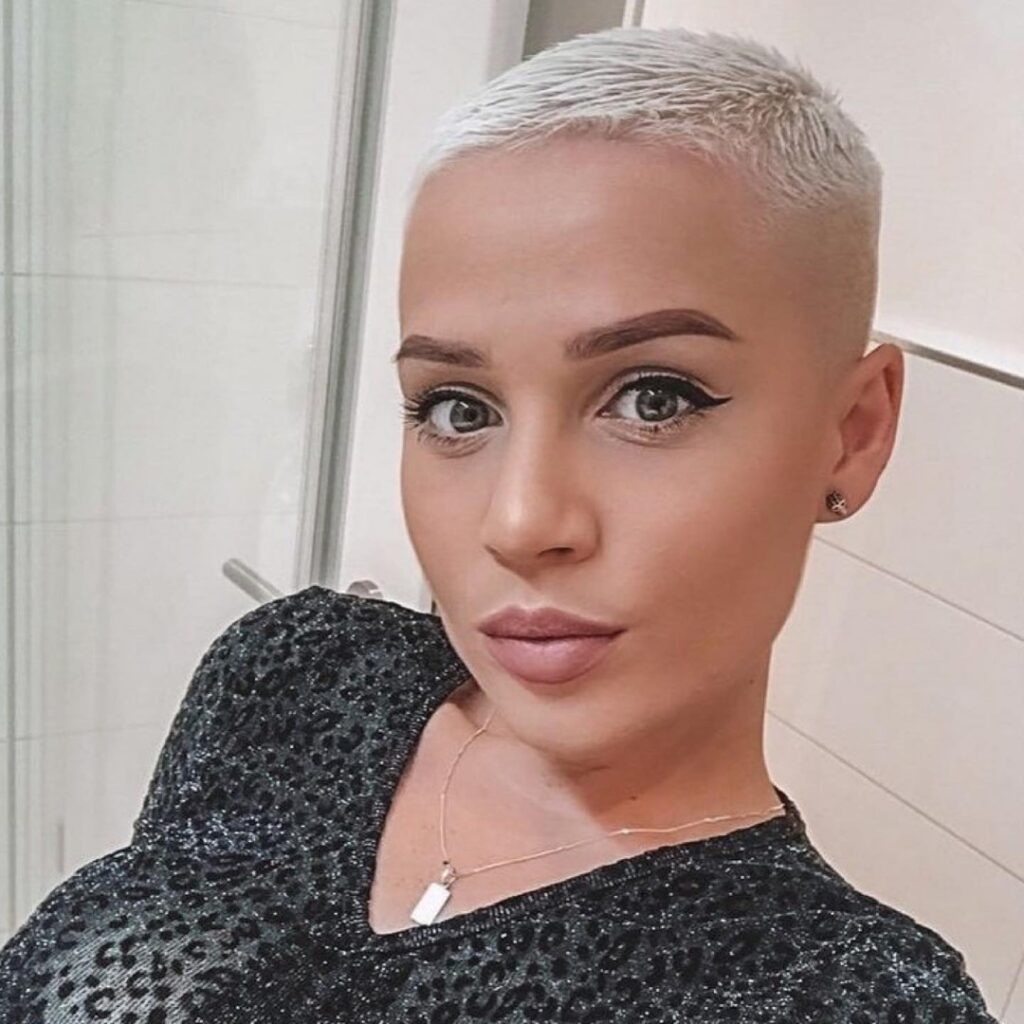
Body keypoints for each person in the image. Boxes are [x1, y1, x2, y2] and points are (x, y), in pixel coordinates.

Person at [0, 25, 999, 1024]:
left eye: (653, 399)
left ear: (852, 432)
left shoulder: (845, 994)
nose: (519, 523)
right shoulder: (295, 669)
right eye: (457, 409)